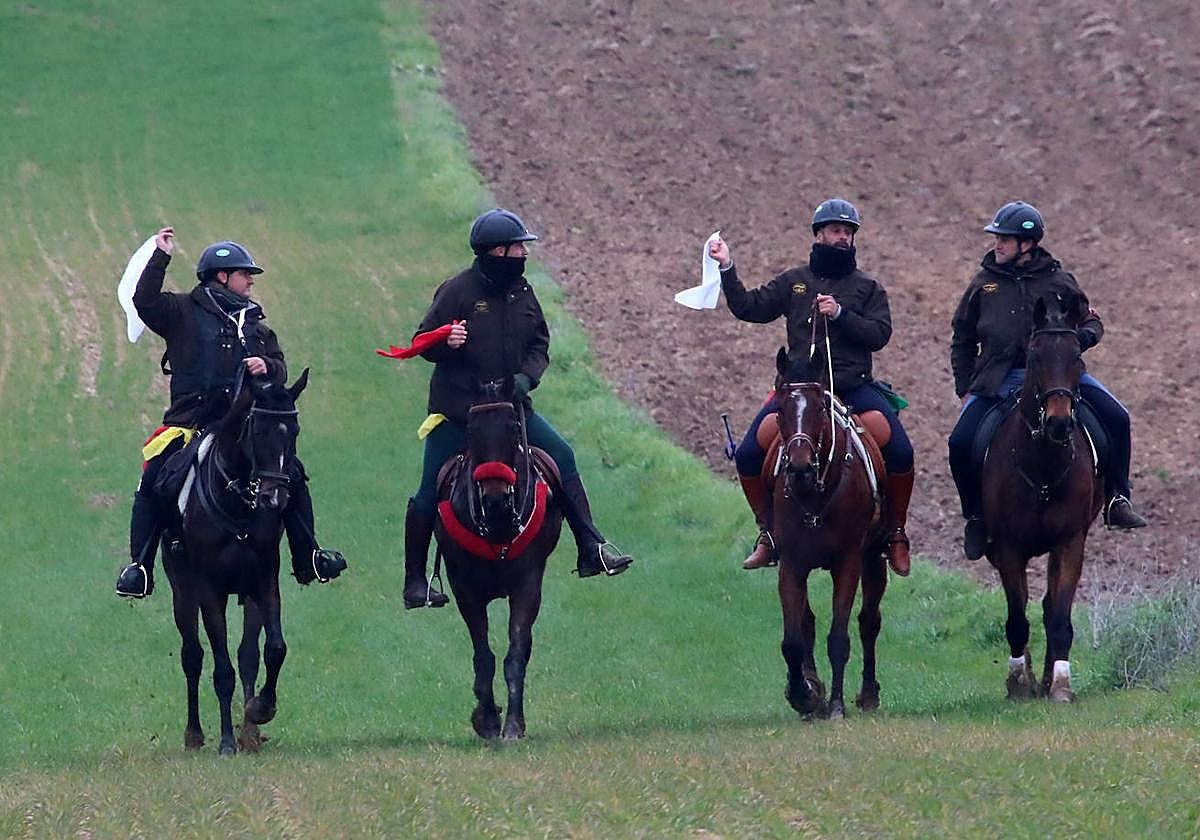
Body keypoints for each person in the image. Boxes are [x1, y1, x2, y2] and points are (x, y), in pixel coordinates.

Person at [402, 208, 633, 609]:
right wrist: (446, 343)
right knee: (427, 491)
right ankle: (416, 581)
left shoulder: (523, 293)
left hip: (512, 414)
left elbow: (539, 343)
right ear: (495, 251)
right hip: (460, 414)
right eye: (517, 248)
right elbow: (422, 341)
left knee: (562, 455)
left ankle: (591, 546)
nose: (523, 255)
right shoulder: (456, 291)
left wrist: (527, 378)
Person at [115, 227, 347, 598]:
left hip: (243, 429)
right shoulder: (180, 311)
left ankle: (310, 555)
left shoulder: (255, 326)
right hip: (191, 424)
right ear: (222, 277)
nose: (251, 282)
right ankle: (139, 567)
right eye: (245, 275)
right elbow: (144, 301)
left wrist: (265, 367)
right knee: (153, 477)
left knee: (293, 474)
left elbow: (280, 367)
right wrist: (160, 256)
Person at [710, 198, 915, 577]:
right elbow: (749, 307)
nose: (843, 237)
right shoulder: (794, 281)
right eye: (836, 230)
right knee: (750, 454)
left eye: (848, 232)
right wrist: (727, 267)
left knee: (900, 450)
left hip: (853, 388)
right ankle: (768, 534)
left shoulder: (868, 287)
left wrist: (841, 314)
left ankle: (896, 535)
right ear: (819, 234)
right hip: (800, 394)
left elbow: (880, 334)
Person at [948, 201, 1148, 560]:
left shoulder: (1059, 281)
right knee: (960, 442)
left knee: (1118, 418)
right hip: (1000, 379)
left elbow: (1092, 322)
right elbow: (962, 337)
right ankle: (976, 516)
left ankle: (1117, 498)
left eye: (1005, 239)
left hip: (1059, 376)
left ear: (1027, 243)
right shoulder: (984, 284)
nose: (998, 245)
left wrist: (1080, 341)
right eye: (998, 239)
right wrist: (965, 388)